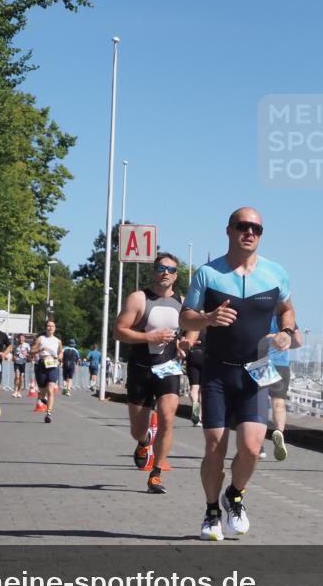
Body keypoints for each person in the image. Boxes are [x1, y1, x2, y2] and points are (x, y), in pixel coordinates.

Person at [180, 208, 297, 541]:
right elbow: (185, 318)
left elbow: (286, 307)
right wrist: (207, 319)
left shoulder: (276, 273)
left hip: (255, 370)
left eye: (256, 228)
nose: (250, 232)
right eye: (243, 226)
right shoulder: (208, 273)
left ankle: (235, 495)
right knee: (215, 445)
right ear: (229, 230)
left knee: (251, 446)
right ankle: (211, 511)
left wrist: (286, 330)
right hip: (217, 370)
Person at [114, 253, 189, 495]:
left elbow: (192, 329)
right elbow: (119, 332)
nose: (165, 272)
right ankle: (144, 442)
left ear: (176, 275)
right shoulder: (138, 298)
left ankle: (155, 474)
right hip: (140, 368)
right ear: (154, 271)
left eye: (170, 269)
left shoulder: (183, 302)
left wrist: (185, 343)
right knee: (137, 429)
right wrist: (149, 337)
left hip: (168, 367)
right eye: (161, 267)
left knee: (168, 417)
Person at [266, 318, 303, 460]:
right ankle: (279, 432)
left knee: (258, 404)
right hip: (281, 365)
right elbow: (299, 341)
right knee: (279, 404)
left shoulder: (260, 309)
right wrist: (285, 344)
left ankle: (257, 445)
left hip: (260, 362)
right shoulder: (287, 318)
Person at [31, 320, 62, 424]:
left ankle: (48, 413)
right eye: (48, 326)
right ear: (45, 328)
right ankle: (43, 397)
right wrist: (40, 350)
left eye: (52, 326)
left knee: (50, 390)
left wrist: (59, 357)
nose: (50, 328)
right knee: (43, 391)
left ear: (55, 328)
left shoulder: (58, 341)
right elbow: (31, 351)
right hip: (42, 365)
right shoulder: (40, 339)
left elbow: (60, 352)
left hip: (53, 365)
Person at [185, 329, 206, 426]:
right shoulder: (211, 326)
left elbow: (183, 342)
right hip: (206, 357)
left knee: (194, 388)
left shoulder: (193, 327)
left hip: (193, 355)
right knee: (202, 389)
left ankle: (196, 409)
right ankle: (200, 417)